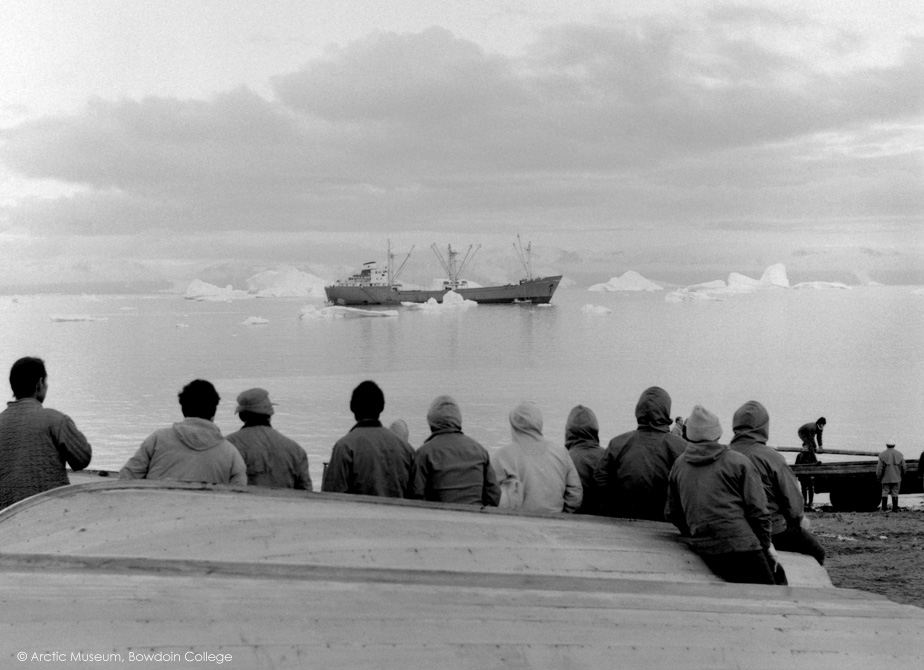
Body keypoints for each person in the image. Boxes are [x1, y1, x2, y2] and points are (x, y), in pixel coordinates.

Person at [665, 405, 778, 585]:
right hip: (743, 545)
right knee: (773, 591)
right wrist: (765, 545)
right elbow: (759, 511)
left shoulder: (678, 466)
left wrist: (695, 532)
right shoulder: (738, 462)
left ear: (689, 434)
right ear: (717, 432)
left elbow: (672, 513)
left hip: (705, 546)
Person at [729, 400, 825, 566]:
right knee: (818, 552)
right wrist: (796, 522)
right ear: (764, 427)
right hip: (771, 530)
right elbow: (794, 504)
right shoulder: (772, 457)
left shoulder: (724, 454)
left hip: (734, 527)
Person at [0, 356, 92, 510]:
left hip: (6, 520)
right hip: (51, 515)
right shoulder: (56, 420)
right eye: (46, 382)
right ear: (40, 383)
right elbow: (82, 458)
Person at [119, 379, 247, 485]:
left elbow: (127, 478)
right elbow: (239, 494)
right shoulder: (230, 453)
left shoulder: (157, 439)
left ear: (183, 408)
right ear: (214, 410)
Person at [592, 386, 688, 521]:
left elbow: (600, 478)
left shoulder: (618, 443)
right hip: (666, 524)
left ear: (638, 410)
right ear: (666, 410)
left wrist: (613, 511)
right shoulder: (682, 447)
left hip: (624, 520)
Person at [321, 380, 415, 497]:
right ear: (381, 407)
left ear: (352, 407)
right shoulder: (407, 450)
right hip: (398, 514)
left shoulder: (344, 447)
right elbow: (416, 495)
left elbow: (331, 497)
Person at [491, 401, 582, 514]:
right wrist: (563, 515)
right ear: (539, 423)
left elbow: (490, 494)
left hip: (516, 525)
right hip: (555, 522)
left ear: (513, 425)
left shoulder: (502, 456)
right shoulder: (561, 452)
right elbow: (575, 493)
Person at [408, 395, 500, 506]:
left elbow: (416, 496)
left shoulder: (424, 453)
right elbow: (494, 494)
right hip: (474, 517)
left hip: (439, 519)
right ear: (458, 419)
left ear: (431, 421)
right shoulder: (480, 451)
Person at [225, 388, 312, 490]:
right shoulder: (295, 450)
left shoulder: (228, 445)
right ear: (270, 414)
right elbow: (306, 492)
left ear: (242, 416)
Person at [564, 405, 605, 515]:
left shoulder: (564, 459)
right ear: (595, 430)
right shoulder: (609, 455)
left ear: (568, 431)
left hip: (574, 524)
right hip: (607, 524)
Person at [877, 442, 906, 512]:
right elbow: (904, 467)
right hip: (896, 477)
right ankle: (895, 507)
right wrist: (903, 474)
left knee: (885, 491)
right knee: (895, 492)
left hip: (885, 477)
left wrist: (878, 476)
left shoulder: (882, 454)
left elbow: (879, 468)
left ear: (886, 445)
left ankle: (884, 507)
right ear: (894, 445)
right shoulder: (899, 454)